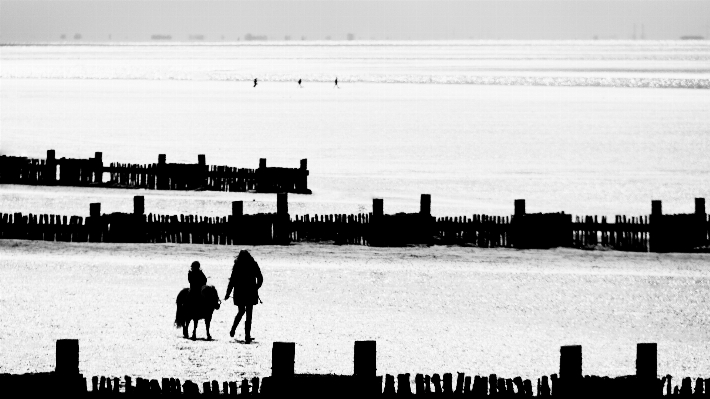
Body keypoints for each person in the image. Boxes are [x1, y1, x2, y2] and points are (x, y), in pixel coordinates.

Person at [225, 250, 263, 343]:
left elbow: (232, 281)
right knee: (248, 314)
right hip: (250, 292)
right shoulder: (253, 264)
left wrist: (228, 293)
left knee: (241, 311)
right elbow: (260, 278)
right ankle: (247, 335)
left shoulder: (237, 264)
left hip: (239, 292)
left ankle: (234, 329)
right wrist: (256, 287)